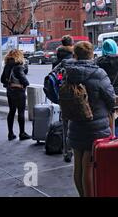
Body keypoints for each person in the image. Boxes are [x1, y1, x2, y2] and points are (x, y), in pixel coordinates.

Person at [60, 41, 117, 197]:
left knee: (78, 165)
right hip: (96, 127)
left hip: (75, 124)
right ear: (92, 55)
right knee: (89, 166)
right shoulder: (99, 73)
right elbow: (111, 98)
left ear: (75, 55)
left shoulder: (69, 73)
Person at [96, 39, 118, 135]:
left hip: (103, 98)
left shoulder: (98, 64)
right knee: (117, 123)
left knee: (105, 124)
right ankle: (115, 138)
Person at [52, 35, 74, 163]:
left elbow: (55, 75)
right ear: (71, 44)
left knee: (66, 123)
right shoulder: (72, 57)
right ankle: (75, 149)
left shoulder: (57, 58)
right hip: (75, 94)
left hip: (62, 93)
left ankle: (67, 152)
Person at [0, 49, 31, 141]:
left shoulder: (7, 65)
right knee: (21, 112)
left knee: (12, 111)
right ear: (19, 56)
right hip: (19, 92)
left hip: (10, 91)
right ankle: (22, 133)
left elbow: (2, 80)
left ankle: (10, 133)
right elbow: (25, 82)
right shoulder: (18, 66)